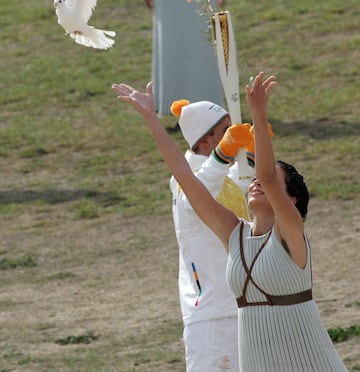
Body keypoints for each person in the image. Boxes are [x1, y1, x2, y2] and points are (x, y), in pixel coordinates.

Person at [112, 71, 348, 371]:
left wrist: (259, 120)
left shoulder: (291, 234)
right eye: (222, 133)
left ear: (291, 201)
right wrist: (152, 121)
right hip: (246, 347)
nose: (256, 184)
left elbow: (263, 176)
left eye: (273, 182)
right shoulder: (233, 233)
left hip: (305, 360)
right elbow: (186, 176)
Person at [165, 97, 254, 370]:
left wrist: (255, 150)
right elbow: (200, 193)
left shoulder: (225, 178)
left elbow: (250, 184)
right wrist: (223, 153)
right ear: (206, 140)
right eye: (226, 131)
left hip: (244, 302)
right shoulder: (185, 181)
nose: (231, 136)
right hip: (211, 312)